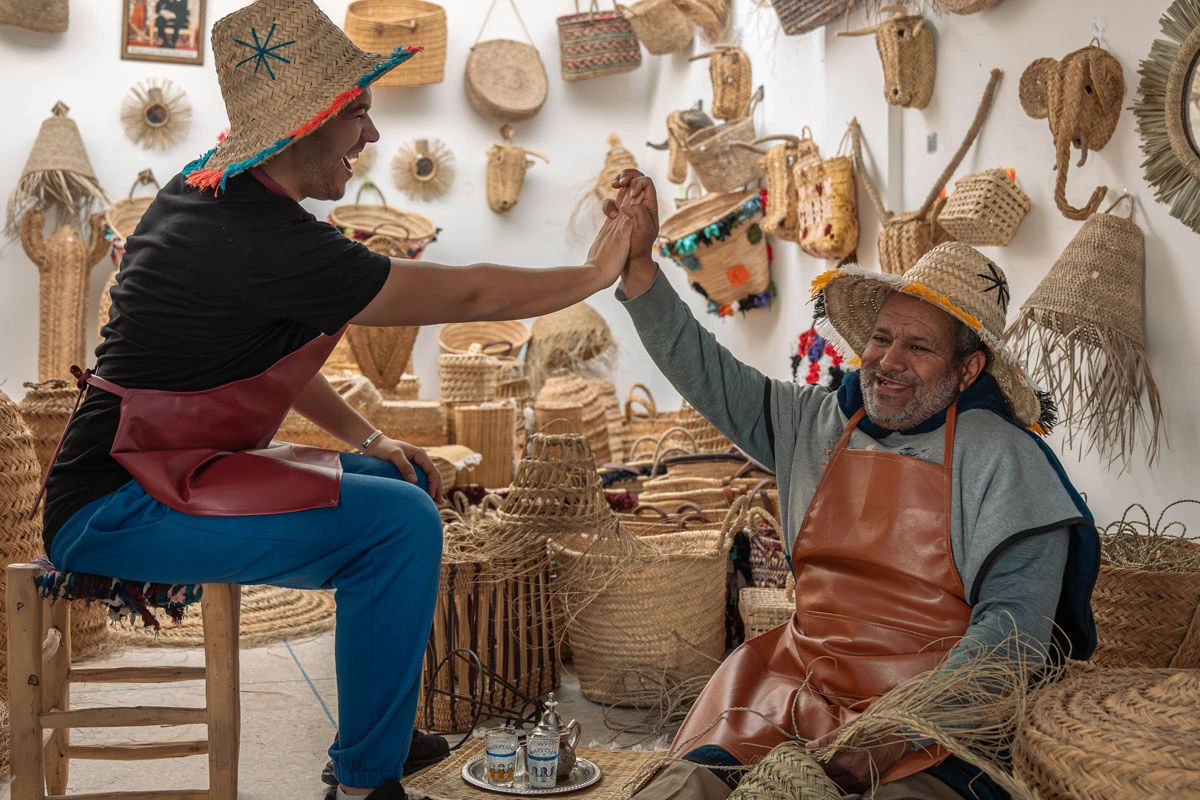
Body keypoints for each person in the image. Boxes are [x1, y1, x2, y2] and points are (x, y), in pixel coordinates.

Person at [38, 3, 641, 800]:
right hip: (115, 504)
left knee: (397, 487)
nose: (372, 137)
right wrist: (593, 275)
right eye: (358, 113)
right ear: (310, 121)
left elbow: (267, 359)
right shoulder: (261, 237)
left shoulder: (214, 188)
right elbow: (467, 290)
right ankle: (364, 782)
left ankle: (377, 733)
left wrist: (373, 439)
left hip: (163, 464)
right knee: (399, 528)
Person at [603, 170, 1099, 800]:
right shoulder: (814, 422)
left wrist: (899, 731)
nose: (889, 360)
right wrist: (641, 266)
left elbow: (1012, 637)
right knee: (687, 786)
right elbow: (706, 372)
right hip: (795, 687)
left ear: (969, 368)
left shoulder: (1007, 462)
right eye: (882, 338)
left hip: (936, 718)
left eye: (918, 346)